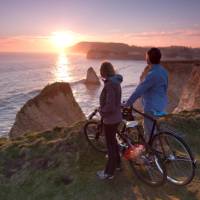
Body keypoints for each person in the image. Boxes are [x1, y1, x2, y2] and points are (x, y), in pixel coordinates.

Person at [125, 48, 168, 141]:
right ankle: (158, 149)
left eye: (146, 56)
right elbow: (164, 88)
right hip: (161, 105)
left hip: (151, 107)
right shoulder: (164, 71)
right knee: (154, 131)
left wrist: (127, 103)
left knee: (149, 132)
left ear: (148, 58)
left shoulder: (152, 74)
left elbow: (139, 91)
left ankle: (151, 154)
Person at [97, 61, 123, 180]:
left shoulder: (109, 84)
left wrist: (102, 111)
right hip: (117, 117)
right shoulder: (116, 81)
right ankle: (117, 165)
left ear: (103, 71)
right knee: (114, 142)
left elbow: (110, 105)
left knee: (110, 146)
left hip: (110, 120)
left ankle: (109, 173)